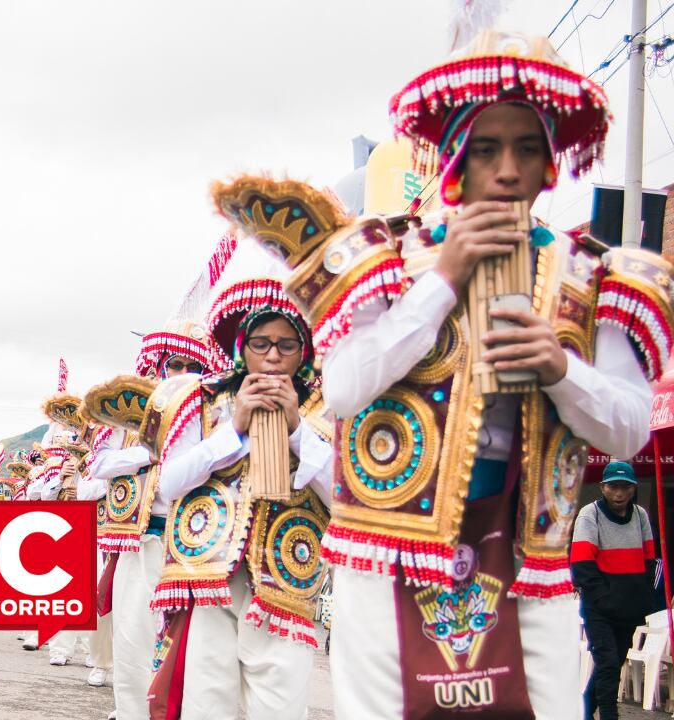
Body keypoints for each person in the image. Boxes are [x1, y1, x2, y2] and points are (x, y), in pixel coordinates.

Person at [245, 31, 666, 719]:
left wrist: (560, 370)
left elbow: (626, 432)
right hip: (388, 547)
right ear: (454, 159)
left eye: (527, 148)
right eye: (486, 149)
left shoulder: (596, 278)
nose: (506, 170)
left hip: (533, 558)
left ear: (550, 161)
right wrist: (442, 283)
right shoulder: (388, 258)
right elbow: (345, 387)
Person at [148, 278, 333, 719]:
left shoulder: (325, 406)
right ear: (241, 346)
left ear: (304, 350)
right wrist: (234, 431)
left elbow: (345, 497)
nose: (272, 356)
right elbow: (169, 484)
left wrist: (295, 431)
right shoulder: (203, 400)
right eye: (261, 343)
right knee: (205, 706)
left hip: (286, 579)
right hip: (209, 575)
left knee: (280, 708)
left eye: (287, 345)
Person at [80, 322, 219, 719]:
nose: (182, 373)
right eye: (174, 364)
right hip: (142, 542)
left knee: (190, 645)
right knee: (132, 636)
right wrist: (153, 451)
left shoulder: (213, 412)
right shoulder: (132, 414)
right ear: (159, 367)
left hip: (196, 546)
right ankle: (131, 712)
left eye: (192, 365)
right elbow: (99, 465)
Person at [572, 460, 657, 720]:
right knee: (607, 662)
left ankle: (585, 709)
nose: (619, 493)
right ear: (602, 487)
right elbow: (582, 564)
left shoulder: (641, 515)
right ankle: (609, 714)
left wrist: (642, 597)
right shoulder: (590, 514)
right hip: (600, 607)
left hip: (628, 606)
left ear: (633, 489)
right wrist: (602, 597)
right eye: (612, 487)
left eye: (625, 487)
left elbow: (649, 559)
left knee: (613, 663)